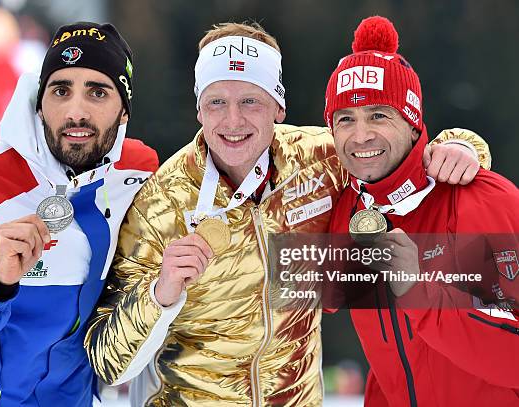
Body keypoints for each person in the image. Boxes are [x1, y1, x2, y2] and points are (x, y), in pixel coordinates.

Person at [84, 22, 489, 406]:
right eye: (216, 103)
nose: (233, 121)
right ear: (199, 111)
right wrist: (161, 294)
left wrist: (462, 147)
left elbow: (402, 150)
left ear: (278, 107)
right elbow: (108, 363)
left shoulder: (321, 158)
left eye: (250, 101)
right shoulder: (160, 202)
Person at [0, 22, 157, 406]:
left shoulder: (139, 171)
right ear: (40, 102)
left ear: (123, 111)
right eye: (61, 91)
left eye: (97, 92)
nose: (76, 111)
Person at [325, 16, 518, 407]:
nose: (361, 135)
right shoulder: (342, 210)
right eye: (345, 119)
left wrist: (419, 291)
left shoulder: (486, 199)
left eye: (379, 115)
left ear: (413, 125)